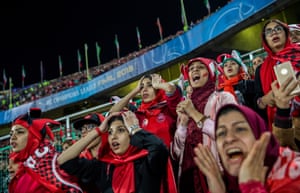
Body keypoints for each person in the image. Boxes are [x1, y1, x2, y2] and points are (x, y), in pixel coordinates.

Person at [193, 103, 300, 193]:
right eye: (221, 133)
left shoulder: (293, 173)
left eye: (239, 129)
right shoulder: (225, 184)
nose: (229, 139)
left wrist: (251, 188)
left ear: (259, 134)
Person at [58, 111, 173, 193]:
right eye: (110, 132)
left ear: (131, 134)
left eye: (121, 130)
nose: (114, 136)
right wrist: (97, 131)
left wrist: (136, 129)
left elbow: (160, 147)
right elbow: (63, 160)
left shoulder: (147, 161)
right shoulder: (103, 167)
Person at [171, 57, 237, 193]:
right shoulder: (185, 107)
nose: (194, 70)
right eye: (191, 69)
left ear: (211, 73)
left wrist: (194, 114)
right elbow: (177, 153)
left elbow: (231, 136)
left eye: (200, 67)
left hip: (218, 174)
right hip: (189, 178)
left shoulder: (223, 98)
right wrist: (182, 124)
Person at [8, 108, 82, 193]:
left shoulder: (51, 162)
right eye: (11, 134)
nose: (12, 137)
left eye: (20, 132)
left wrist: (98, 131)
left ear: (34, 137)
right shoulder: (25, 169)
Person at [109, 73, 182, 149]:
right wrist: (135, 90)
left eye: (150, 85)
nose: (144, 89)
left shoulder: (169, 108)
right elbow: (112, 112)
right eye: (142, 87)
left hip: (172, 159)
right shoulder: (137, 116)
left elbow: (171, 89)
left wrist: (159, 84)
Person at [255, 18, 300, 129]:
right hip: (282, 125)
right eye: (268, 32)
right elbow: (258, 104)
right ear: (265, 40)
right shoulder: (261, 69)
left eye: (278, 29)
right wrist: (265, 99)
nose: (274, 32)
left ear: (286, 33)